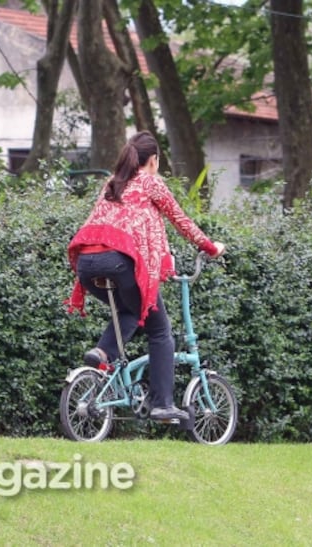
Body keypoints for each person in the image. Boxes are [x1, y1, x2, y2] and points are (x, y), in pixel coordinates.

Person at [64, 131, 225, 421]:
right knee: (161, 331)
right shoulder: (151, 182)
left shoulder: (112, 183)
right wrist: (211, 248)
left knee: (130, 310)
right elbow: (180, 220)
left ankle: (102, 353)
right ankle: (162, 403)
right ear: (153, 160)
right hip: (119, 262)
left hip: (87, 264)